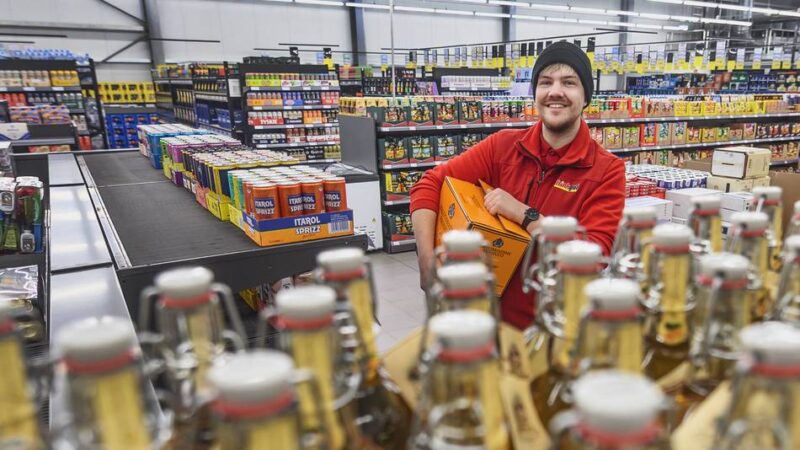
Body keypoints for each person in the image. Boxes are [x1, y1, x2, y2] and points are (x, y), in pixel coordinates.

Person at [409, 42, 626, 330]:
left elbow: (593, 258)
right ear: (535, 93)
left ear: (586, 96)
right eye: (545, 82)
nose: (555, 92)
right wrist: (426, 262)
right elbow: (430, 183)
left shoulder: (607, 170)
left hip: (551, 330)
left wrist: (526, 215)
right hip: (481, 322)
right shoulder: (503, 146)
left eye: (569, 83)